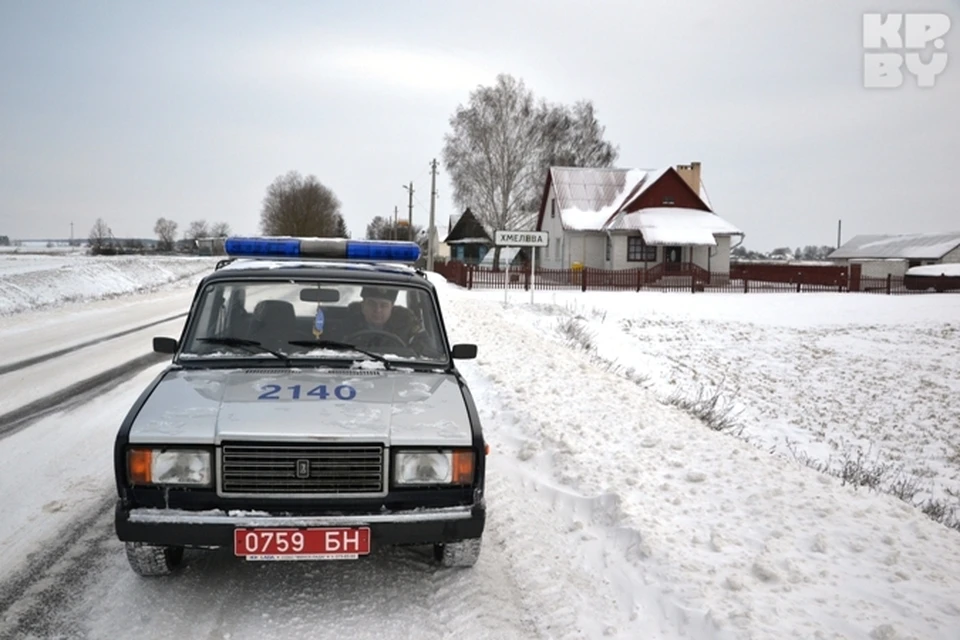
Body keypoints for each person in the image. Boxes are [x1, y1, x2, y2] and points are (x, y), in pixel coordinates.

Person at [343, 286, 423, 346]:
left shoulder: (407, 328)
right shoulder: (345, 325)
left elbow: (427, 355)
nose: (377, 310)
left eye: (384, 305)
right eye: (372, 304)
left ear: (391, 307)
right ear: (363, 305)